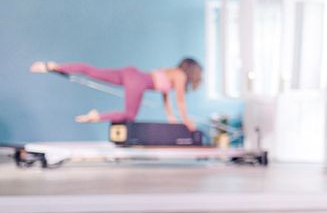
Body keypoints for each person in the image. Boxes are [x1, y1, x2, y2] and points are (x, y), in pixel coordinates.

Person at [30, 58, 203, 131]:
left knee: (92, 71)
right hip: (137, 81)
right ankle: (97, 116)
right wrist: (187, 121)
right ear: (192, 71)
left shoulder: (171, 72)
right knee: (129, 115)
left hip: (130, 74)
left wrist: (171, 118)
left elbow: (167, 98)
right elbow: (180, 100)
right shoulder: (180, 76)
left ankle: (53, 66)